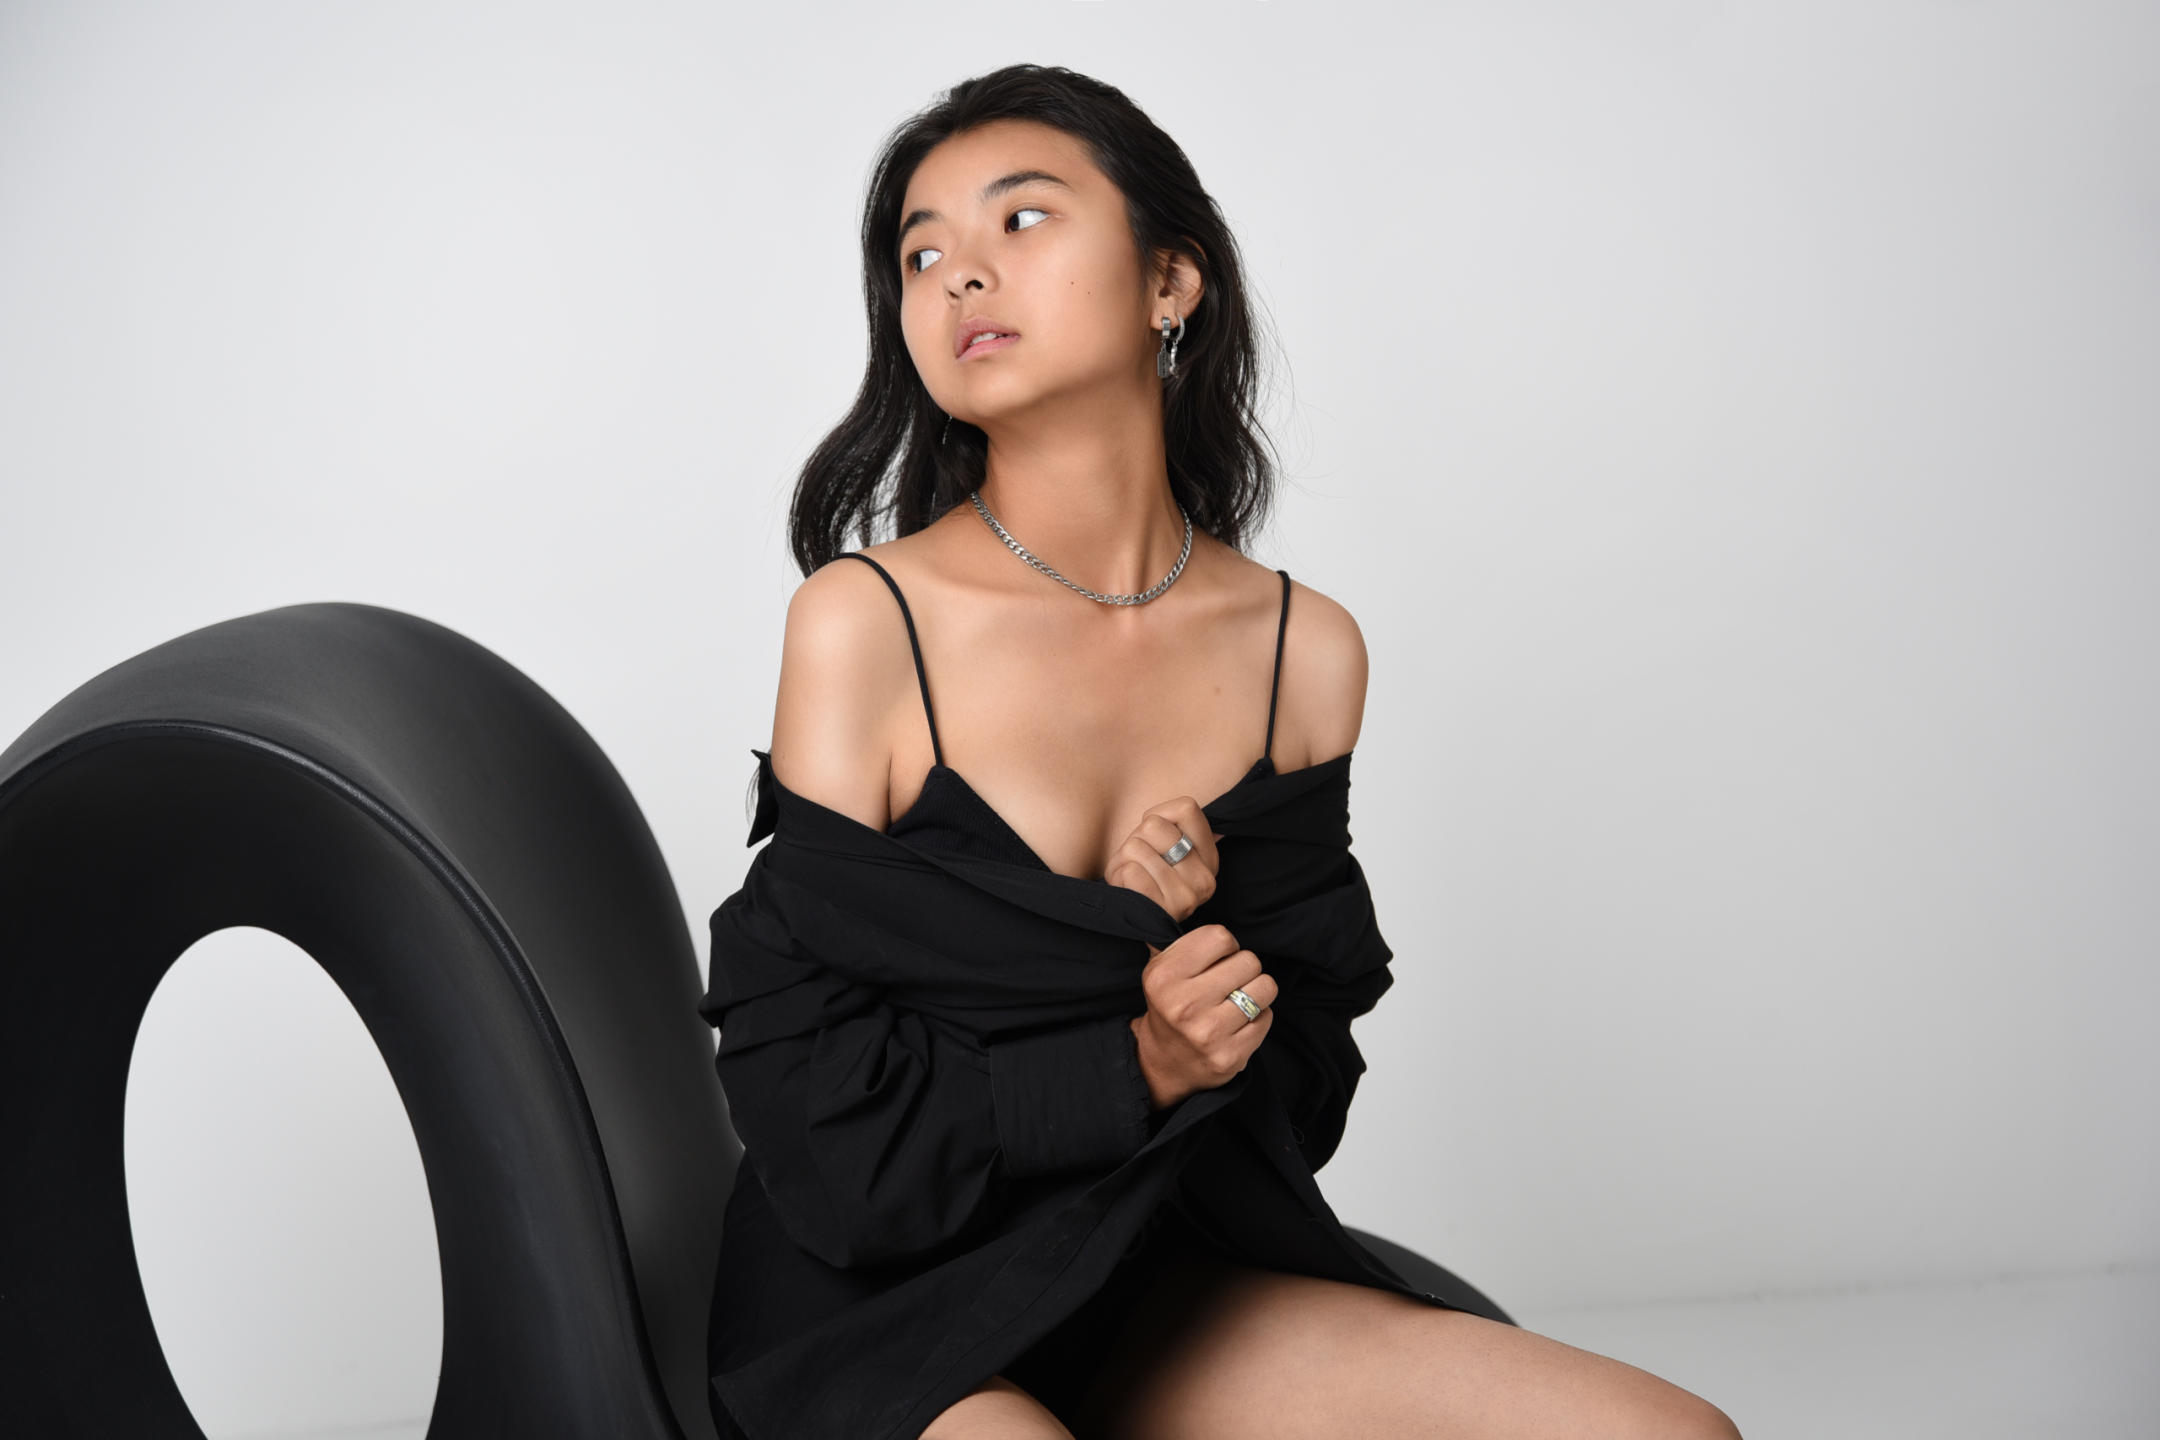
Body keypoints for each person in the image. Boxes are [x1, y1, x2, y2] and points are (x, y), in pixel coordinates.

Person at [701, 62, 1742, 1440]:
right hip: (876, 1298)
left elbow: (1299, 1092)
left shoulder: (1303, 651)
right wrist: (1133, 1055)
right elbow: (804, 1094)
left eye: (1022, 219)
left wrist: (1206, 959)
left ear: (1171, 280)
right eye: (921, 253)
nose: (961, 275)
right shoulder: (864, 623)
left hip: (1154, 1268)